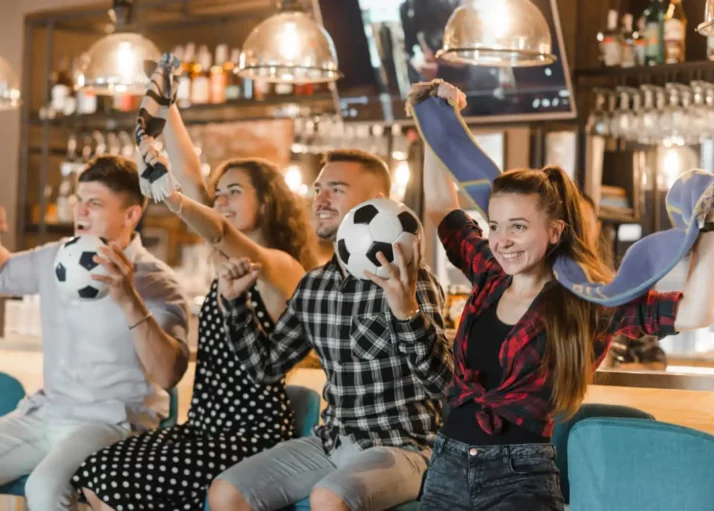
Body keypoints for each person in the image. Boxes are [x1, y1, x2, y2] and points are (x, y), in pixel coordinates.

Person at [413, 81, 714, 510]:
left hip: (519, 478)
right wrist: (432, 120)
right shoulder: (488, 274)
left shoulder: (586, 302)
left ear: (554, 231)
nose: (501, 241)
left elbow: (693, 313)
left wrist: (709, 227)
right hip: (445, 463)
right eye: (495, 226)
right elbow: (441, 210)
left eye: (518, 226)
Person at [72, 83, 317, 509]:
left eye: (235, 191)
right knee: (94, 472)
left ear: (271, 201)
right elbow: (193, 180)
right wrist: (167, 110)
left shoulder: (278, 265)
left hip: (249, 435)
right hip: (202, 425)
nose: (221, 198)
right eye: (219, 191)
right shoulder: (223, 254)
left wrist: (172, 195)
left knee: (114, 479)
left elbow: (211, 220)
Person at [207, 148, 453, 511]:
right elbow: (265, 368)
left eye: (336, 189)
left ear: (377, 202)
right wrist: (234, 305)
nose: (319, 199)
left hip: (407, 447)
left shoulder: (411, 279)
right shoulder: (314, 286)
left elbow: (443, 384)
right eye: (318, 188)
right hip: (332, 441)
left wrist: (408, 314)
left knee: (329, 498)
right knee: (225, 492)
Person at [0, 155, 190, 511]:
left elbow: (168, 373)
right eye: (79, 201)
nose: (80, 212)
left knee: (43, 489)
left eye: (95, 203)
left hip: (114, 419)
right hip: (47, 410)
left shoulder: (157, 282)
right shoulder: (54, 256)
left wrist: (128, 298)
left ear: (131, 215)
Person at [579, 193, 668, 371]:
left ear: (596, 227)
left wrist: (613, 367)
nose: (574, 235)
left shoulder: (618, 292)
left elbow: (656, 362)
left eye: (581, 225)